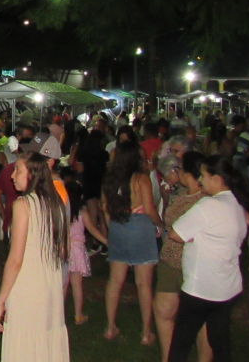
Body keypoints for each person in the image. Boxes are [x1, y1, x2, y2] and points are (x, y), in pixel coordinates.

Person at [167, 156, 249, 362]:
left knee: (180, 344)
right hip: (227, 287)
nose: (201, 179)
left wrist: (198, 233)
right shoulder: (234, 201)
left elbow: (175, 234)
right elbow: (248, 220)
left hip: (201, 289)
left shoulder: (208, 205)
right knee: (220, 341)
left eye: (204, 176)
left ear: (216, 178)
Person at [0, 152, 70, 362]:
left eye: (17, 170)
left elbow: (15, 259)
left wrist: (1, 299)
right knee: (45, 347)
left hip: (28, 287)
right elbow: (64, 251)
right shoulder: (56, 203)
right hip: (50, 286)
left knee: (25, 347)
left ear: (32, 174)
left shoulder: (23, 205)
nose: (12, 176)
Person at [102, 140, 164, 345]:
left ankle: (110, 326)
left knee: (115, 280)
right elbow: (149, 209)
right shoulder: (140, 179)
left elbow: (105, 208)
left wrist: (112, 229)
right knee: (144, 283)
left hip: (118, 225)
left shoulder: (109, 180)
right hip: (139, 228)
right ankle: (146, 332)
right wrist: (160, 224)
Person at [154, 151, 210, 362]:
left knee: (200, 320)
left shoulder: (206, 199)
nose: (177, 173)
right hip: (170, 262)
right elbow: (167, 218)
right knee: (163, 311)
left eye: (180, 170)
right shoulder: (180, 193)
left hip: (194, 266)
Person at [64, 180, 107, 326]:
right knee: (77, 284)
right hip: (77, 250)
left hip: (63, 249)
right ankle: (78, 315)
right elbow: (93, 230)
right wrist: (106, 241)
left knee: (63, 284)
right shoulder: (82, 213)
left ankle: (59, 315)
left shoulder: (61, 212)